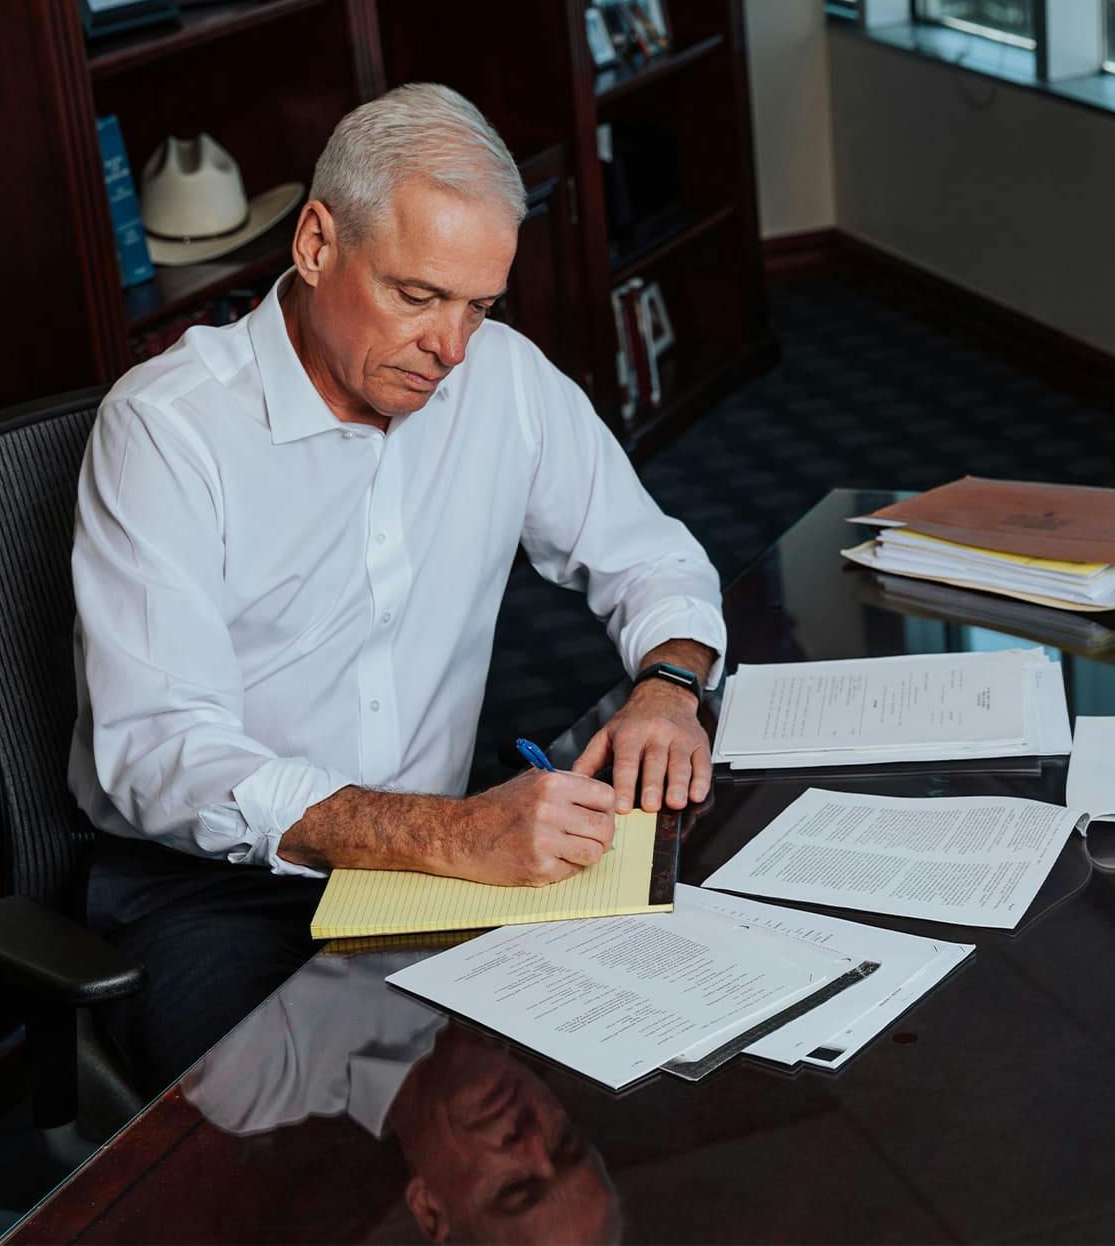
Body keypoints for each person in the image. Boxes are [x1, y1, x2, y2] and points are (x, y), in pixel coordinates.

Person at [70, 83, 725, 1091]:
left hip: (429, 866)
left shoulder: (498, 378)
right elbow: (162, 754)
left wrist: (667, 687)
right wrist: (449, 832)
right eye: (418, 296)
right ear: (318, 245)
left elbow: (654, 557)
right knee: (279, 1165)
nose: (451, 349)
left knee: (642, 1043)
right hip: (215, 886)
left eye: (479, 305)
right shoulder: (169, 430)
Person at [183, 950, 621, 1244]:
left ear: (430, 1208)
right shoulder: (566, 974)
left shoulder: (258, 1080)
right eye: (566, 1144)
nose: (531, 1140)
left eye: (515, 1187)